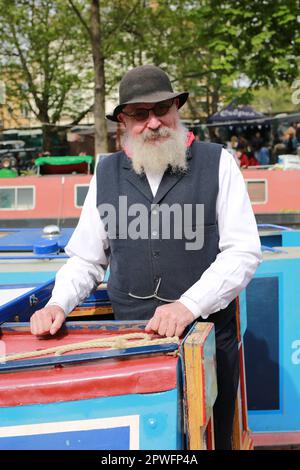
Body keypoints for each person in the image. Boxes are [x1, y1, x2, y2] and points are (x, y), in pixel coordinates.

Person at [30, 65, 261, 449]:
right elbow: (87, 260)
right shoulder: (105, 173)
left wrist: (188, 305)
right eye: (140, 114)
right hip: (134, 347)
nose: (154, 123)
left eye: (162, 109)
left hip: (205, 344)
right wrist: (58, 303)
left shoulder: (218, 162)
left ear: (176, 108)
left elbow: (243, 251)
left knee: (211, 439)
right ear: (123, 121)